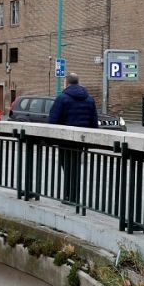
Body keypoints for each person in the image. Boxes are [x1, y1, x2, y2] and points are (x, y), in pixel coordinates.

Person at [48, 73, 97, 211]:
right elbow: (93, 121)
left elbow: (53, 120)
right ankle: (74, 197)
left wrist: (50, 139)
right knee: (75, 167)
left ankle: (69, 196)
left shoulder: (62, 98)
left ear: (66, 83)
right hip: (81, 140)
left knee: (67, 166)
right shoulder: (89, 99)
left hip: (65, 140)